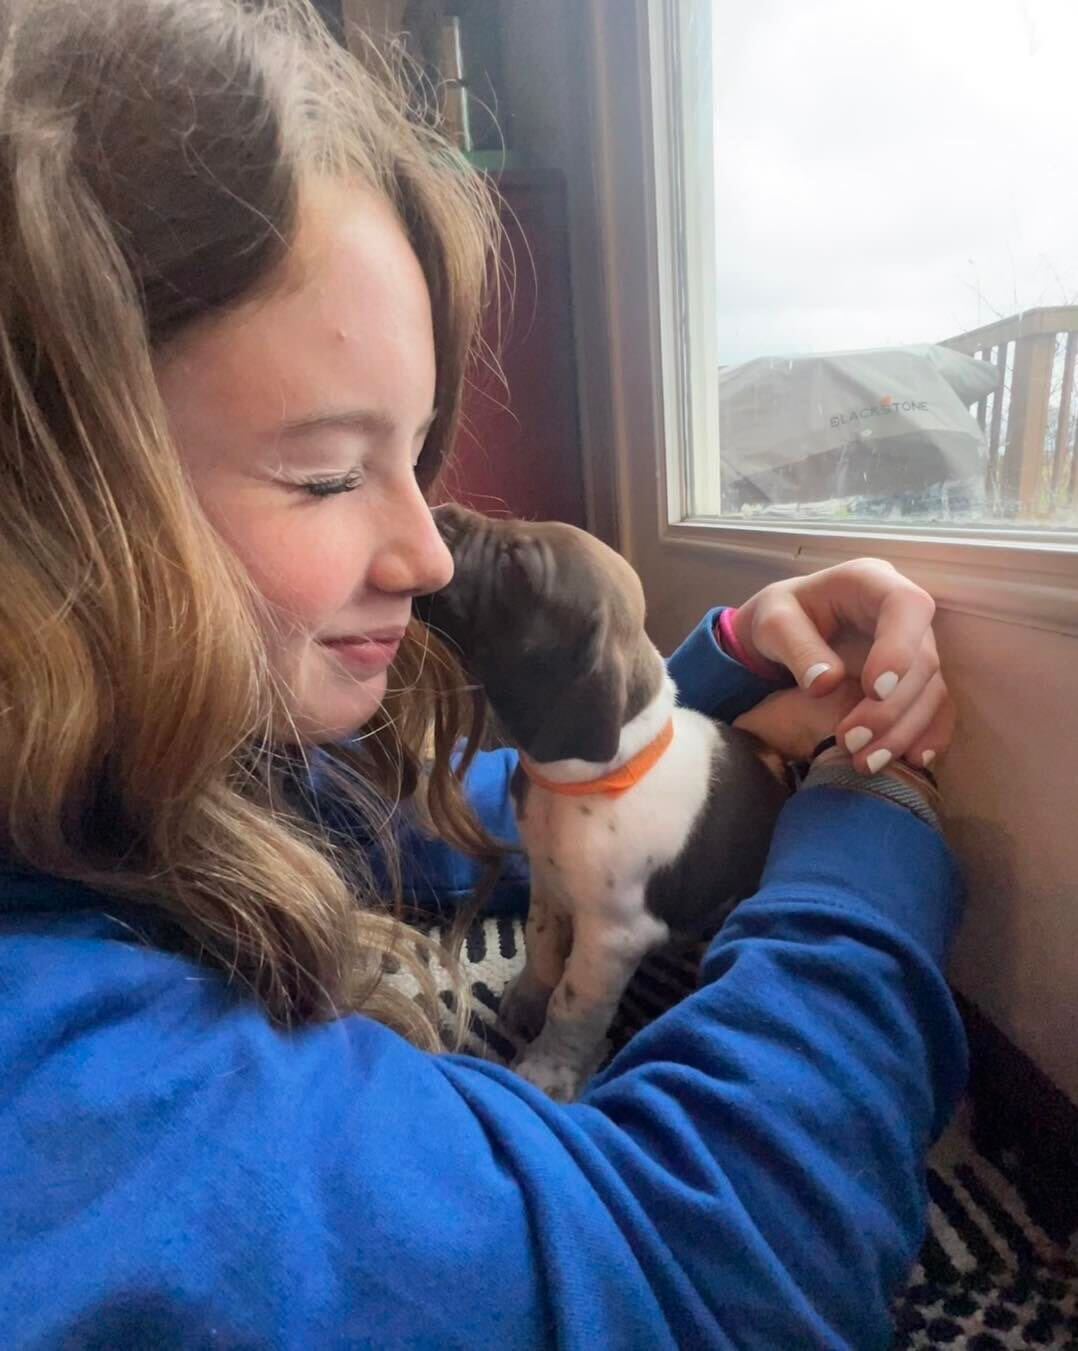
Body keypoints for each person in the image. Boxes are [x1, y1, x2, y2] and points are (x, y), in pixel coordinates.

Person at [0, 2, 964, 1347]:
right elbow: (710, 1266)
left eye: (416, 460)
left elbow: (427, 815)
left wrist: (715, 673)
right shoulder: (68, 1091)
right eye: (329, 471)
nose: (425, 554)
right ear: (40, 510)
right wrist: (871, 832)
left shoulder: (112, 803)